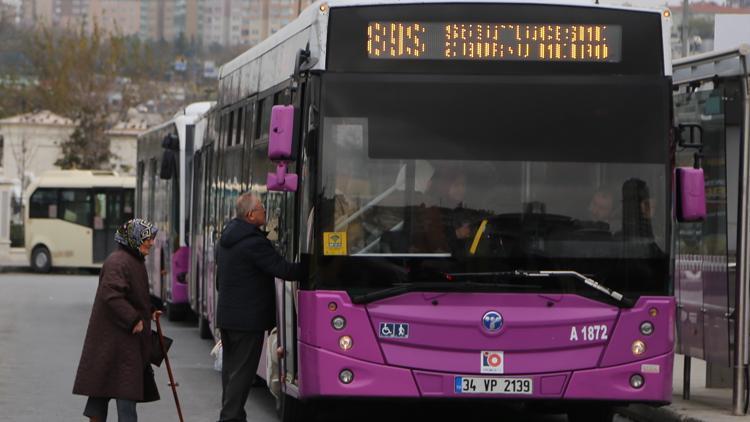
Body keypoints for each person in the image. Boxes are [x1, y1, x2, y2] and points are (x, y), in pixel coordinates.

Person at [216, 192, 304, 422]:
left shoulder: (226, 239)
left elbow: (219, 281)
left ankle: (234, 417)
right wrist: (316, 264)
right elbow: (283, 269)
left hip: (227, 317)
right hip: (247, 321)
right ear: (250, 214)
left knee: (231, 374)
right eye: (262, 208)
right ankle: (229, 419)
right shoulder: (253, 243)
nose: (266, 211)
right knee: (242, 376)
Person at [73, 218, 161, 422]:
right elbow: (111, 295)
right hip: (118, 342)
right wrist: (133, 320)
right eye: (148, 238)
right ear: (134, 238)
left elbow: (133, 295)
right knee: (122, 395)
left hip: (117, 342)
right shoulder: (119, 262)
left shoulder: (131, 259)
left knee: (102, 390)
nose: (152, 243)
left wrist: (150, 311)